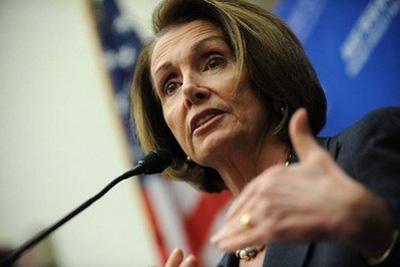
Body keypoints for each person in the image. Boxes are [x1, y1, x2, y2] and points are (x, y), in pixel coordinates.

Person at [131, 0, 400, 266]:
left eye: (212, 62)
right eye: (171, 86)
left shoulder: (365, 151)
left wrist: (379, 234)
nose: (189, 90)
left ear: (269, 77)